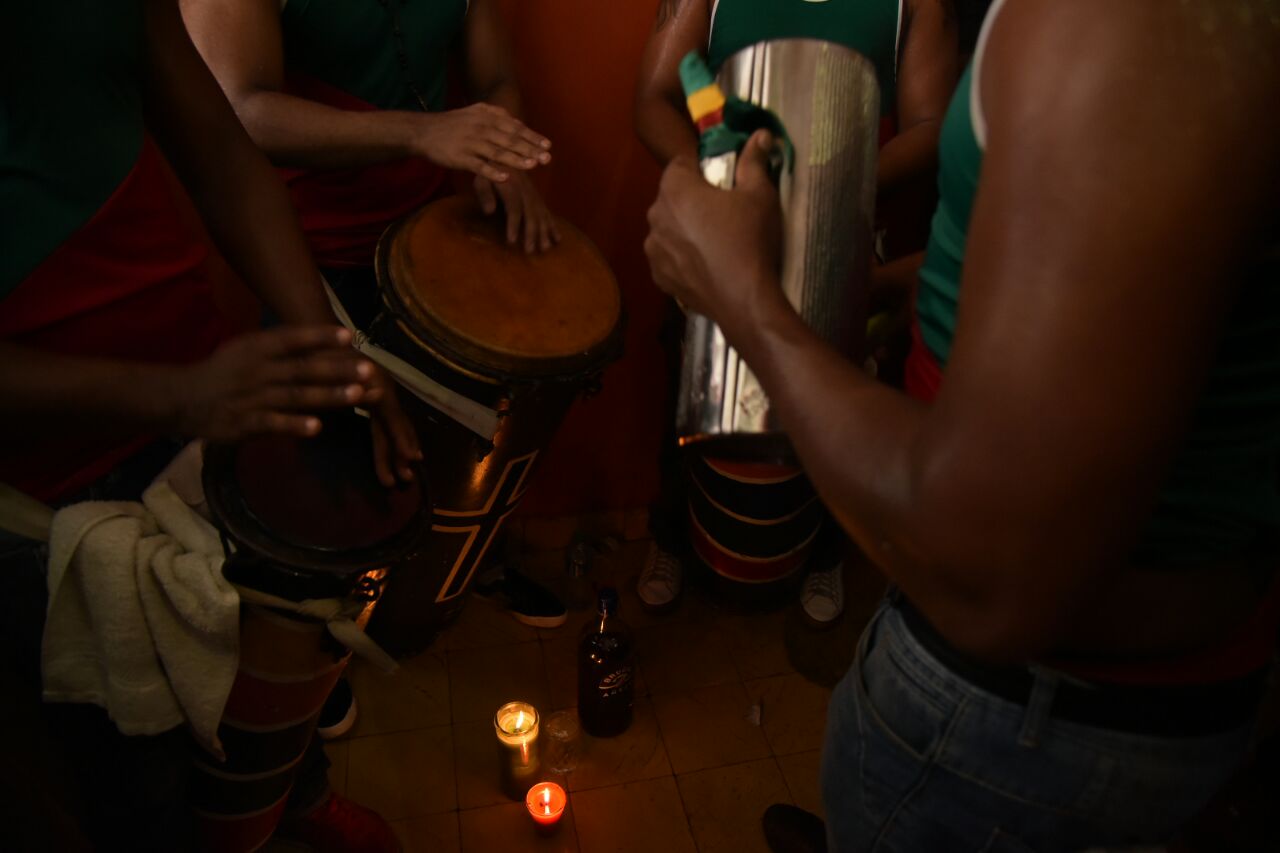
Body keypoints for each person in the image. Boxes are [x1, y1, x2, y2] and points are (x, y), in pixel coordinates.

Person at [644, 0, 1280, 849]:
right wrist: (945, 284)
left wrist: (743, 295)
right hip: (1088, 706)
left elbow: (989, 575)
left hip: (1025, 729)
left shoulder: (1124, 25)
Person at [0, 1, 417, 849]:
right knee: (138, 783)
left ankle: (291, 802)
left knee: (259, 683)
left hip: (207, 396)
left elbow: (221, 151)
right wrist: (176, 395)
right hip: (43, 498)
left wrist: (322, 346)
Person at [181, 0, 571, 640]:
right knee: (324, 493)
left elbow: (495, 76)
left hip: (432, 246)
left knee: (452, 452)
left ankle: (454, 576)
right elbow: (237, 108)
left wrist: (502, 155)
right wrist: (420, 133)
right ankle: (306, 647)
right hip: (310, 263)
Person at [633, 0, 958, 620]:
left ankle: (826, 553)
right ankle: (670, 536)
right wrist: (722, 180)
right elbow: (654, 98)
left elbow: (931, 125)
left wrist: (823, 188)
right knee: (690, 378)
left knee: (838, 383)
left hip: (845, 236)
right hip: (730, 219)